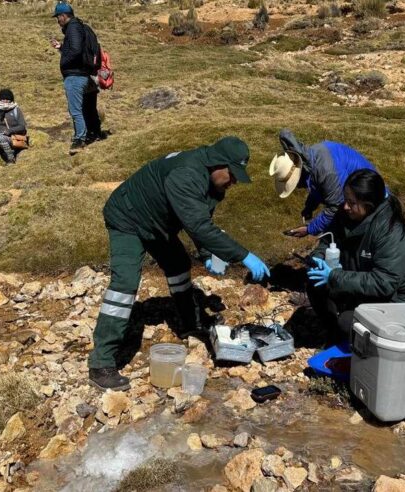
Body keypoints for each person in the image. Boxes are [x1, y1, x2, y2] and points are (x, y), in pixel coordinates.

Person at [89, 136, 271, 391]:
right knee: (125, 284)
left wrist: (206, 253)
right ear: (218, 164)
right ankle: (101, 363)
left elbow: (199, 218)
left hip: (156, 223)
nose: (234, 182)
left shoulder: (211, 181)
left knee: (177, 264)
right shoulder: (186, 175)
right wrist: (243, 255)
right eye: (232, 174)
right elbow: (198, 226)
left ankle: (189, 323)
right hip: (128, 217)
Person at [306, 169, 405, 343]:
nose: (345, 206)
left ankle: (355, 343)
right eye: (345, 200)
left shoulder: (392, 231)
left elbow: (385, 282)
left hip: (392, 301)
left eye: (351, 202)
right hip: (357, 285)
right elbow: (328, 240)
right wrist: (319, 257)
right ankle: (334, 335)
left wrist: (335, 276)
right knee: (314, 281)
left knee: (348, 323)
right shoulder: (345, 214)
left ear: (368, 205)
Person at [270, 128, 383, 238]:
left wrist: (309, 229)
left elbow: (335, 206)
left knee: (354, 239)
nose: (298, 187)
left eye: (295, 183)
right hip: (353, 200)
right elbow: (318, 186)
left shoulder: (327, 172)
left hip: (371, 200)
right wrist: (309, 207)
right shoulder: (311, 159)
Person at [50, 2, 103, 155]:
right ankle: (95, 132)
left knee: (75, 110)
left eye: (58, 17)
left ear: (63, 16)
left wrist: (64, 62)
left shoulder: (72, 28)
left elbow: (76, 50)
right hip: (86, 74)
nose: (57, 21)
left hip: (75, 76)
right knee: (88, 107)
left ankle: (79, 140)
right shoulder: (80, 27)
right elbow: (76, 49)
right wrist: (61, 48)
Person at [0, 89, 27, 165]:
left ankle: (10, 159)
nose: (5, 101)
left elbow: (22, 126)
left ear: (11, 100)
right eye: (3, 99)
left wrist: (10, 131)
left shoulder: (16, 110)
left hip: (13, 137)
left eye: (7, 99)